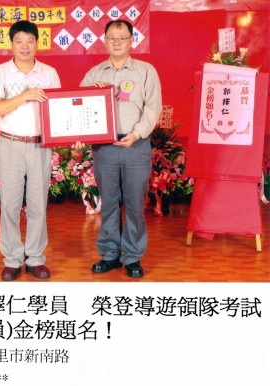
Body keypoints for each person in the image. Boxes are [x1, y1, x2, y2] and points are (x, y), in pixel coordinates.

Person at [80, 19, 162, 278]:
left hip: (136, 145)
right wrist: (89, 97)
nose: (117, 42)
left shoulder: (146, 71)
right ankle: (110, 255)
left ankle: (133, 257)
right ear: (104, 41)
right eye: (112, 38)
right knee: (109, 204)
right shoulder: (94, 74)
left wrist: (136, 134)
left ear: (131, 41)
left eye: (122, 37)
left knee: (136, 204)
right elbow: (77, 106)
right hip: (104, 147)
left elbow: (153, 108)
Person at [0, 20, 61, 281]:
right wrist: (25, 95)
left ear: (37, 43)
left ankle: (35, 258)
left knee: (38, 205)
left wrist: (73, 134)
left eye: (30, 41)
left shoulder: (49, 73)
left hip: (40, 145)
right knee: (10, 204)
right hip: (10, 144)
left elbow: (58, 110)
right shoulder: (0, 72)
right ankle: (12, 259)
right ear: (11, 44)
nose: (25, 46)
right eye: (19, 41)